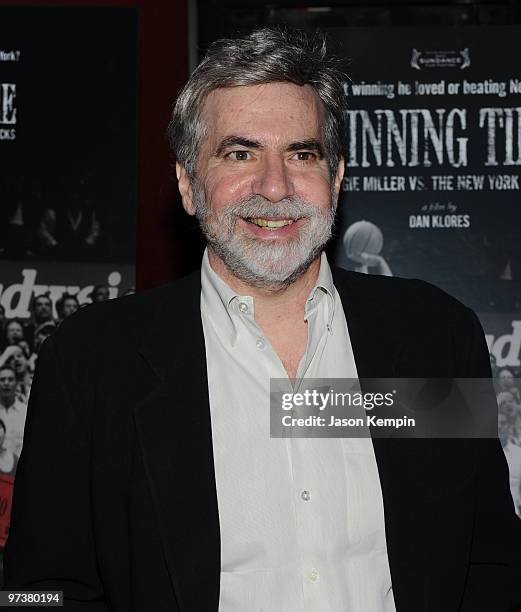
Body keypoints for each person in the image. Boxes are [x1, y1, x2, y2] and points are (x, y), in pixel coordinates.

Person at [4, 28, 521, 612]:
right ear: (187, 184)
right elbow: (37, 591)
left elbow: (491, 560)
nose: (274, 187)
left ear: (337, 177)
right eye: (240, 153)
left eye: (302, 154)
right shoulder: (92, 362)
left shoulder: (436, 336)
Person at [0, 367, 26, 459]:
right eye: (2, 380)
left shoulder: (25, 412)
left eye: (10, 379)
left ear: (16, 383)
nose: (6, 383)